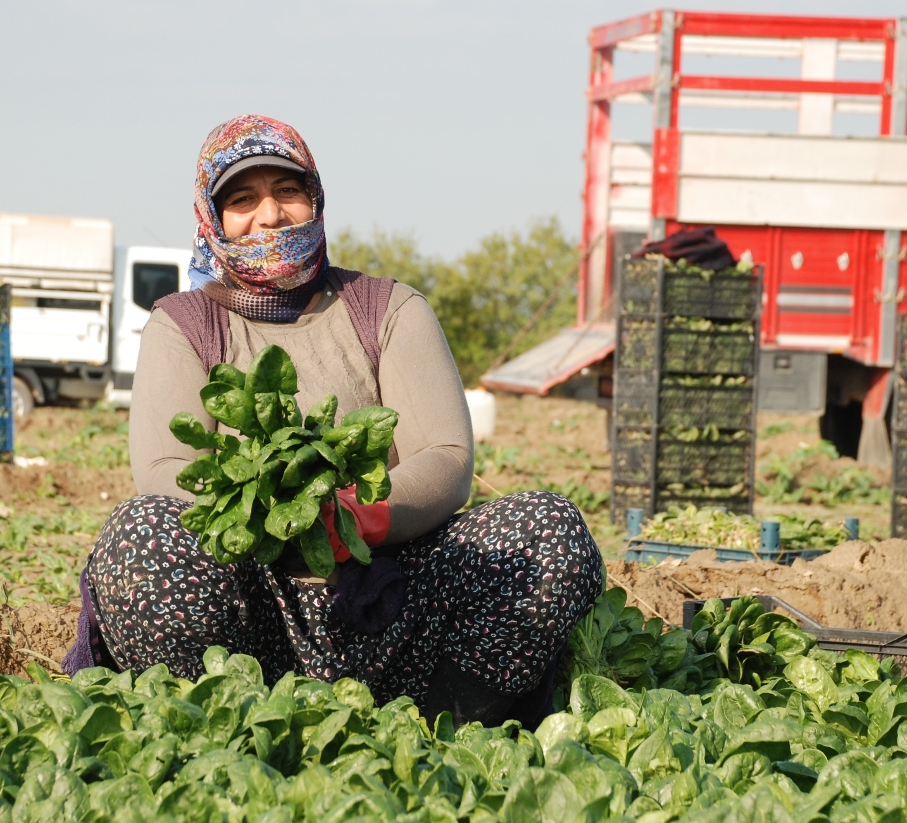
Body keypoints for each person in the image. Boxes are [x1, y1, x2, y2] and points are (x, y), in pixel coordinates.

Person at [81, 114, 602, 725]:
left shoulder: (388, 308)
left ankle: (440, 730)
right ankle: (225, 723)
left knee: (547, 530)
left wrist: (352, 516)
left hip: (389, 599)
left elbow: (448, 459)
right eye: (242, 199)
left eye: (288, 191)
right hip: (251, 608)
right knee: (141, 534)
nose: (270, 214)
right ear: (211, 219)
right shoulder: (182, 323)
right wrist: (272, 518)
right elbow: (166, 471)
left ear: (316, 199)